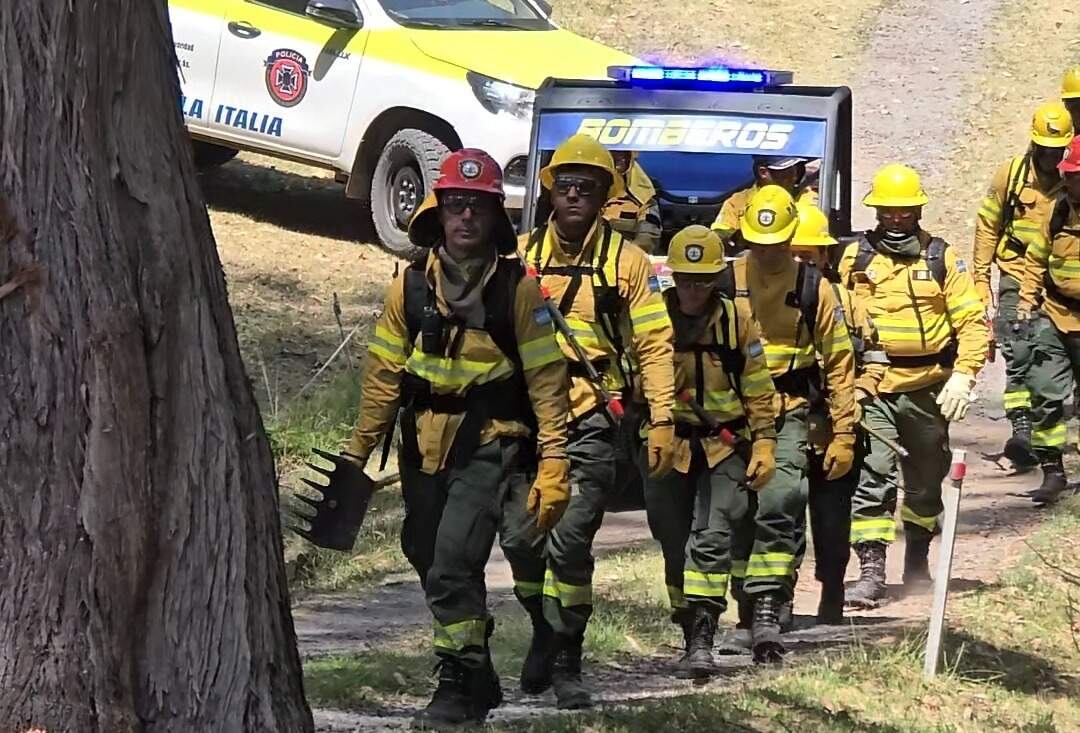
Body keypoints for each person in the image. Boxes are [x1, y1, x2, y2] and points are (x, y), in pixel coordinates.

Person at [344, 150, 572, 726]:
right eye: (455, 205)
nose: (465, 217)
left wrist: (554, 463)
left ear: (496, 218)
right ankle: (480, 672)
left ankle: (457, 688)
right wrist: (358, 452)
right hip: (422, 443)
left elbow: (548, 383)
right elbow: (382, 377)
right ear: (437, 213)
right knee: (423, 552)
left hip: (490, 444)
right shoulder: (411, 287)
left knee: (451, 566)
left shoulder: (518, 293)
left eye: (478, 206)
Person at [503, 133, 676, 709]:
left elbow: (654, 344)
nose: (575, 195)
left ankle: (568, 661)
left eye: (589, 187)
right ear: (551, 192)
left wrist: (665, 420)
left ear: (607, 196)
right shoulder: (521, 256)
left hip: (593, 417)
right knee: (521, 542)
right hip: (525, 421)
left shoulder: (627, 264)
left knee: (569, 543)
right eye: (565, 185)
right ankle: (544, 632)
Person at [839, 164, 989, 608]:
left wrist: (965, 373)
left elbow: (971, 319)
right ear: (877, 211)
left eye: (905, 211)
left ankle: (918, 562)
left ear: (918, 209)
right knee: (873, 476)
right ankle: (870, 572)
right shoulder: (854, 259)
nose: (896, 219)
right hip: (875, 386)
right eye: (888, 211)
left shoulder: (941, 257)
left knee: (925, 483)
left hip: (927, 388)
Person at [725, 185, 856, 662]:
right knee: (737, 511)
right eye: (758, 243)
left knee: (780, 503)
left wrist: (843, 431)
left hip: (788, 410)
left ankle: (767, 604)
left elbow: (839, 361)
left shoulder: (811, 286)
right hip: (732, 414)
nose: (767, 251)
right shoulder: (725, 279)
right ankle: (746, 604)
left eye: (777, 242)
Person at [644, 225, 778, 679]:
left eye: (703, 280)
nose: (693, 289)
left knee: (713, 533)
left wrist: (764, 439)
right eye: (685, 279)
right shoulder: (653, 317)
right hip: (669, 445)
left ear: (717, 279)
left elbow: (758, 383)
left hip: (724, 445)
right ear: (672, 277)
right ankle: (686, 627)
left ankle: (704, 634)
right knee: (671, 537)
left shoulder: (738, 319)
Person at [788, 202, 888, 624]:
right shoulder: (768, 304)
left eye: (807, 256)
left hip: (836, 429)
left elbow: (878, 361)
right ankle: (780, 605)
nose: (799, 263)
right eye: (792, 254)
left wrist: (857, 396)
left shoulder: (849, 305)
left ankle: (832, 594)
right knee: (782, 519)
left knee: (831, 522)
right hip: (786, 428)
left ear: (825, 258)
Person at [972, 101, 1074, 469]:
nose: (1051, 156)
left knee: (1050, 358)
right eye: (1045, 148)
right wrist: (981, 280)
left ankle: (1051, 434)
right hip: (1016, 275)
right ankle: (1022, 434)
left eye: (1057, 148)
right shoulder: (1011, 176)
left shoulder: (1074, 178)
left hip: (1058, 283)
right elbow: (987, 228)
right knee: (1017, 353)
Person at [1016, 137, 1080, 504]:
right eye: (1068, 176)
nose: (1070, 182)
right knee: (1044, 393)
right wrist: (1027, 303)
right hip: (1055, 316)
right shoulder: (1056, 211)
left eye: (1075, 176)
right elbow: (1035, 260)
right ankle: (1052, 472)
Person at [711, 156, 817, 250]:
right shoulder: (738, 202)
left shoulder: (807, 198)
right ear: (763, 172)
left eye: (795, 170)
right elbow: (719, 237)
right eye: (786, 171)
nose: (794, 176)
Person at [604, 150, 663, 253]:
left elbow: (648, 236)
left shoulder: (645, 201)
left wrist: (625, 257)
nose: (620, 159)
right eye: (612, 155)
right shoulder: (584, 197)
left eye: (624, 156)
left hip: (625, 261)